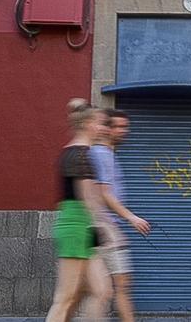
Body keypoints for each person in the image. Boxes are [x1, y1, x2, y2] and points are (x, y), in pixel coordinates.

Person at [45, 99, 113, 322]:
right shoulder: (80, 155)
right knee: (64, 297)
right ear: (88, 125)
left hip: (81, 226)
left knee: (102, 290)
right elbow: (88, 197)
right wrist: (101, 227)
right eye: (99, 123)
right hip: (76, 226)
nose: (102, 128)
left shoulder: (78, 152)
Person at [87, 109, 151, 322]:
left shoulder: (105, 154)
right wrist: (130, 218)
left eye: (126, 126)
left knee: (106, 289)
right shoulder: (101, 154)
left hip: (102, 228)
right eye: (119, 126)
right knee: (113, 288)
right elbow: (104, 194)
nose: (124, 131)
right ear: (107, 129)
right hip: (105, 229)